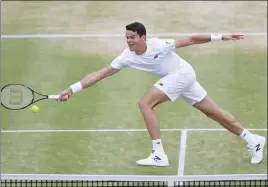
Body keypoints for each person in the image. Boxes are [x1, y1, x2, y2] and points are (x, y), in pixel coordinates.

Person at [57, 22, 266, 166]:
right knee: (214, 113)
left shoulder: (158, 45)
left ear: (143, 37)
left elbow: (191, 39)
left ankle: (158, 155)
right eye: (127, 38)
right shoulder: (126, 57)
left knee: (145, 104)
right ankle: (253, 139)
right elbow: (99, 74)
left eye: (132, 37)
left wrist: (222, 36)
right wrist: (70, 90)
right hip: (181, 78)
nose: (129, 41)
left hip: (182, 74)